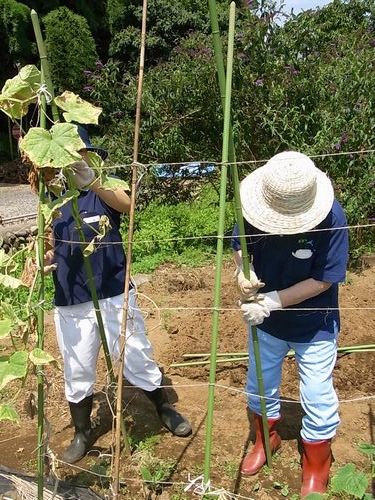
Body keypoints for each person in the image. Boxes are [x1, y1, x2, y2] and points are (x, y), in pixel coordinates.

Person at [45, 125, 192, 464]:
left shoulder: (106, 190)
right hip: (72, 298)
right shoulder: (54, 199)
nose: (72, 161)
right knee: (78, 365)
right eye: (66, 155)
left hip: (114, 291)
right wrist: (47, 258)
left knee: (135, 352)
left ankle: (162, 406)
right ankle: (83, 431)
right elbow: (51, 244)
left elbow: (129, 206)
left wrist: (92, 179)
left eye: (78, 154)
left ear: (88, 155)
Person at [231, 151, 349, 498]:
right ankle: (266, 440)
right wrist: (243, 272)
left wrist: (273, 301)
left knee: (316, 393)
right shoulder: (253, 207)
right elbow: (240, 245)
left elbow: (325, 280)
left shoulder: (332, 217)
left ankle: (316, 466)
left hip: (314, 324)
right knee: (259, 382)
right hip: (266, 324)